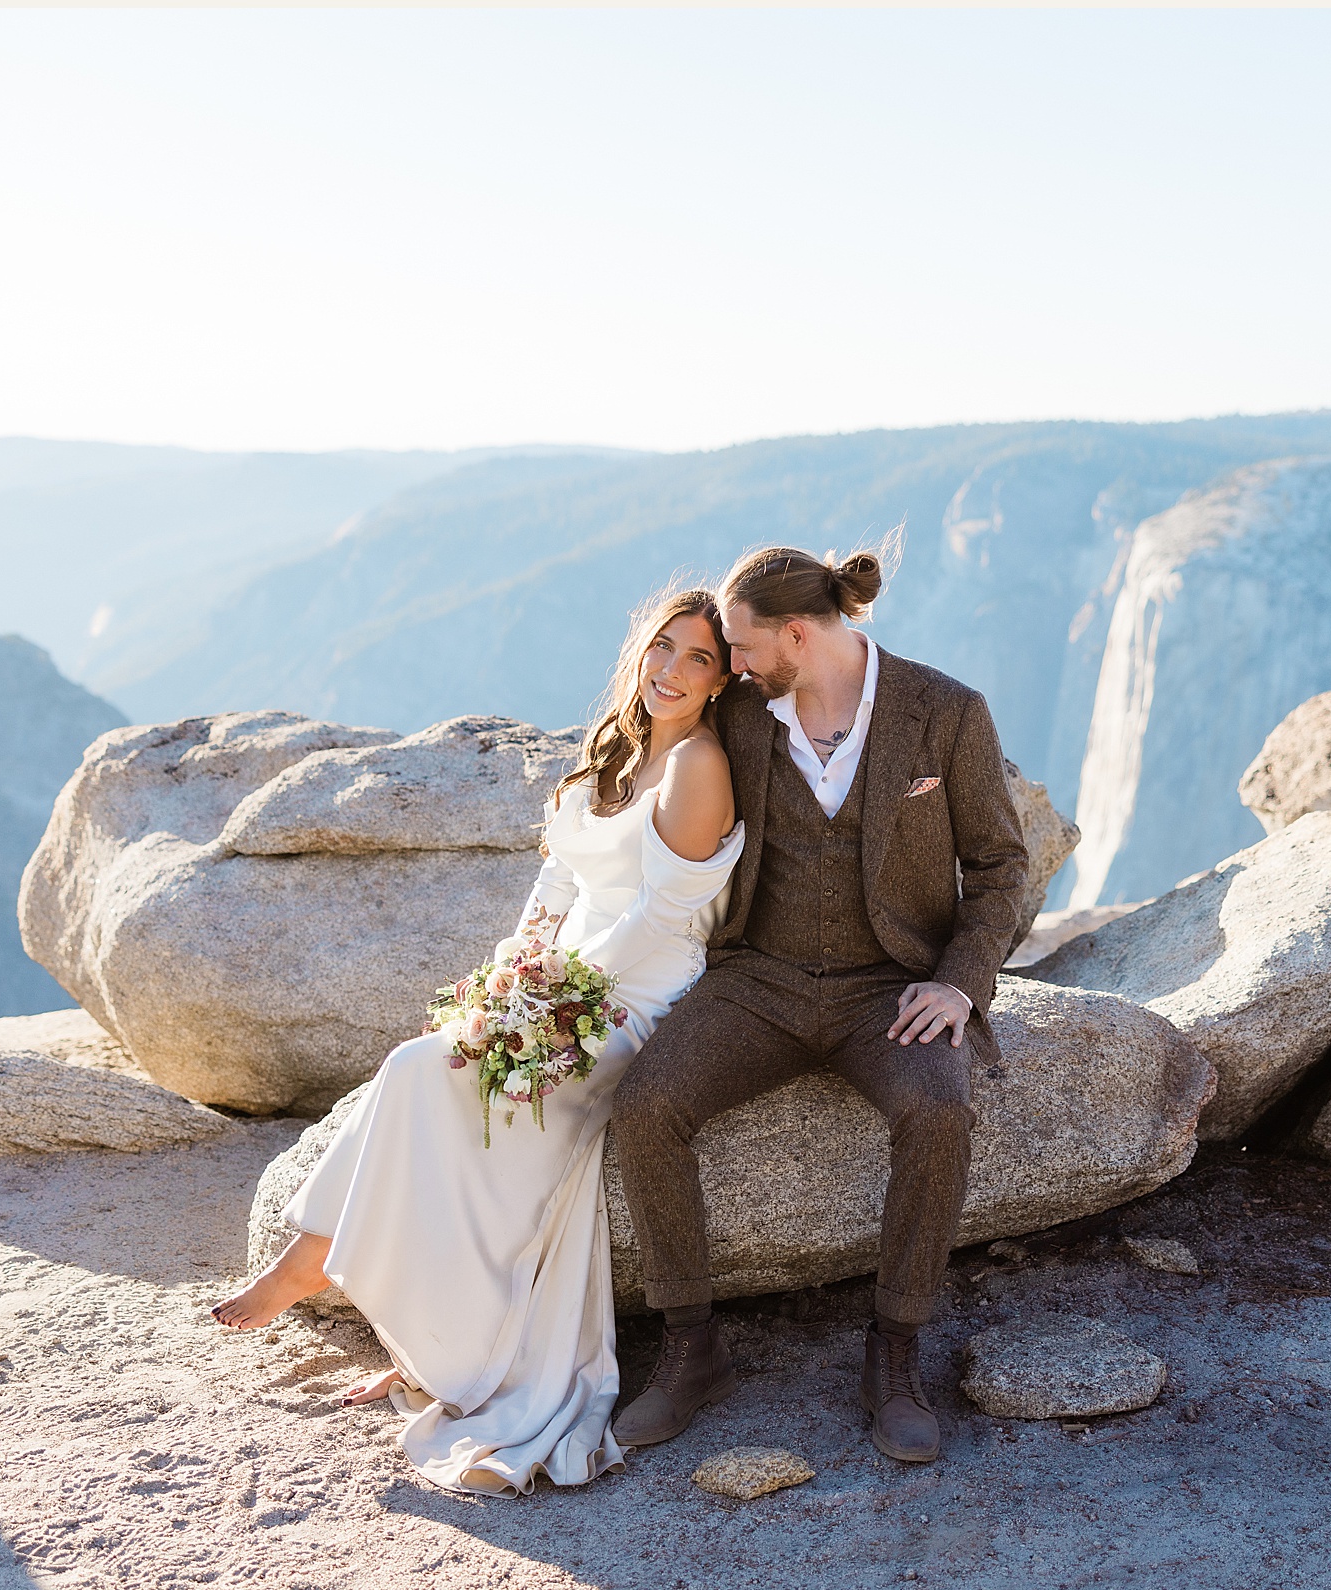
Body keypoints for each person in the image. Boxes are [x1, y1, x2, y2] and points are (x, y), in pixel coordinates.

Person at [210, 585, 745, 1498]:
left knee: (424, 1074)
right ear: (640, 648)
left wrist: (554, 1004)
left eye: (700, 659)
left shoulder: (697, 764)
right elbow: (556, 885)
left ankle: (315, 1257)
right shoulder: (614, 753)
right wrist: (509, 976)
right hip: (563, 985)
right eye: (665, 647)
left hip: (633, 996)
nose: (674, 671)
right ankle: (351, 1285)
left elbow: (662, 917)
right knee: (426, 1069)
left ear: (722, 680)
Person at [609, 539, 1029, 1465]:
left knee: (938, 1108)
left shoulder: (947, 712)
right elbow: (656, 751)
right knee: (644, 1107)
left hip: (890, 985)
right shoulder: (750, 718)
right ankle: (690, 1348)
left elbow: (1000, 866)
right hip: (761, 977)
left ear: (799, 633)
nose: (735, 664)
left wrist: (959, 981)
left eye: (745, 647)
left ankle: (896, 1353)